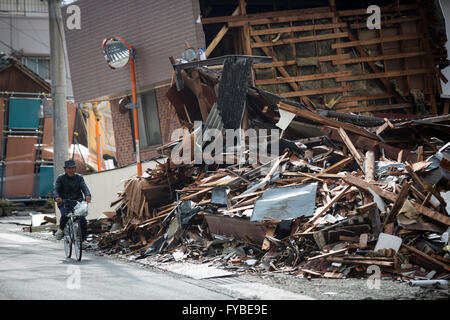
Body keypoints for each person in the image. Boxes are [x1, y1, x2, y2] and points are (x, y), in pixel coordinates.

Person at [53, 160, 91, 240]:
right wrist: (57, 197)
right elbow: (55, 190)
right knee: (65, 215)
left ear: (75, 169)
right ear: (65, 169)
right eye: (69, 168)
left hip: (77, 202)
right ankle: (61, 230)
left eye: (73, 168)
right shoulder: (60, 178)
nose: (71, 170)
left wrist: (87, 195)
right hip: (64, 201)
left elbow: (85, 188)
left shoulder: (79, 177)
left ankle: (83, 240)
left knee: (82, 219)